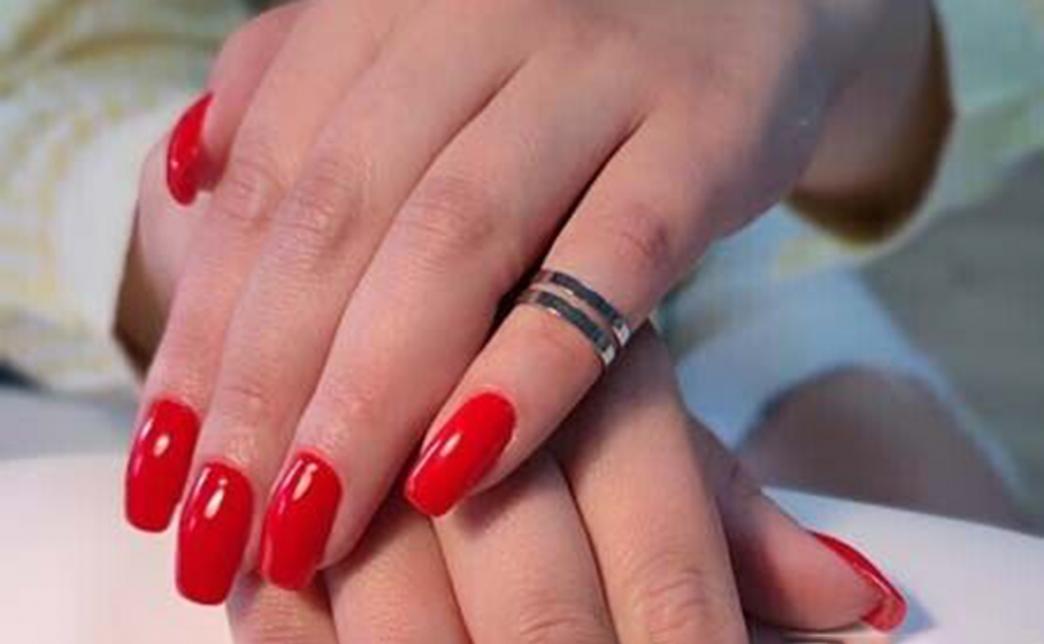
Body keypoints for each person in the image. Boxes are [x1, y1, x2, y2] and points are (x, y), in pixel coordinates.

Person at [1, 0, 1041, 640]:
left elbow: (986, 57)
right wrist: (278, 244)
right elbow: (41, 85)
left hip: (718, 230)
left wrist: (823, 23)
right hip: (218, 253)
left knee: (933, 554)